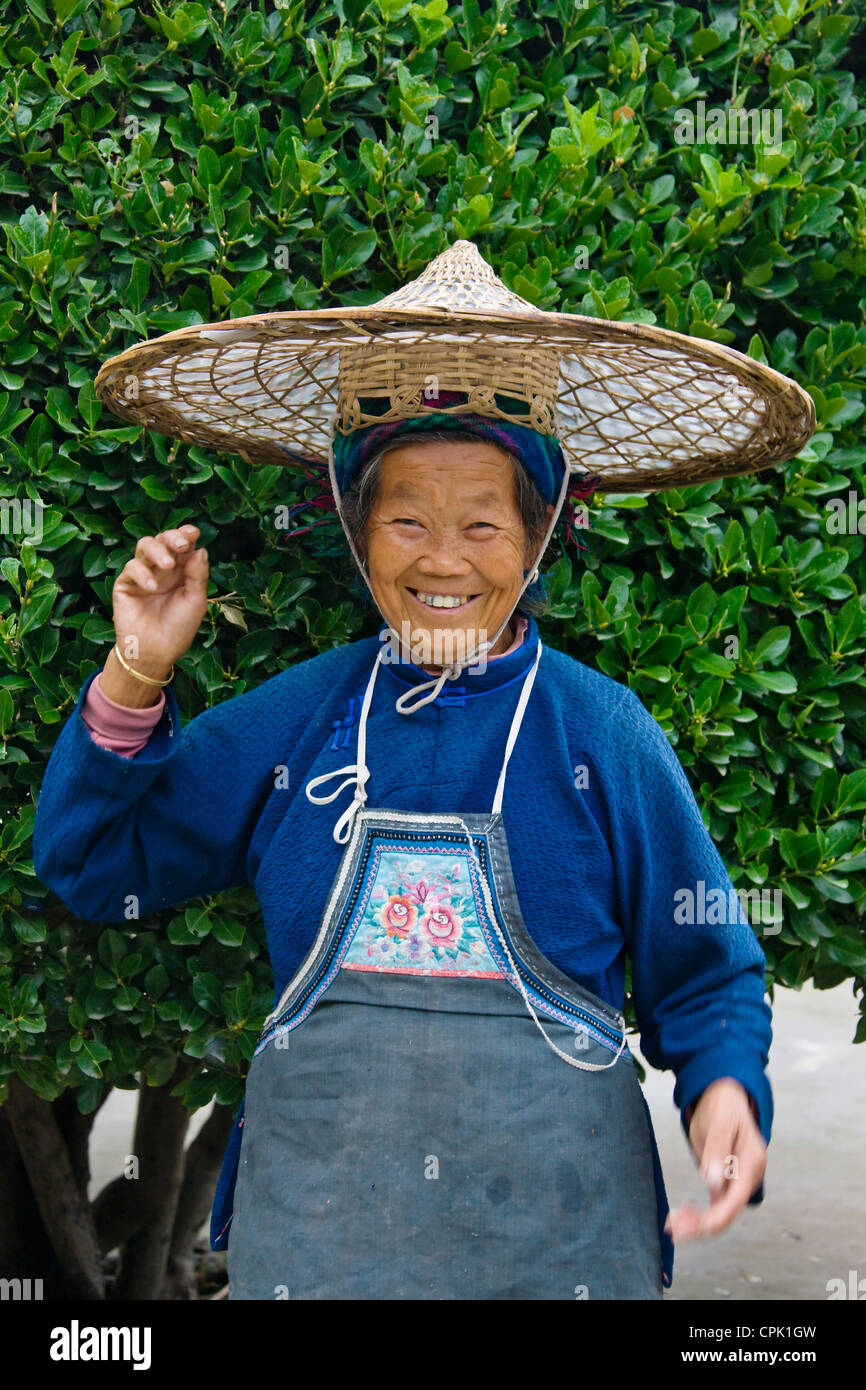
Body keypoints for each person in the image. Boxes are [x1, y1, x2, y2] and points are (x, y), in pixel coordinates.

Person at [33, 241, 816, 1300]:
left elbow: (706, 969)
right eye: (405, 517)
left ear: (538, 537)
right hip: (319, 1252)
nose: (441, 559)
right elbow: (93, 862)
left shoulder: (601, 734)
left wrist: (724, 1086)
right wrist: (137, 670)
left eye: (482, 522)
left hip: (560, 1250)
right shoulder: (300, 720)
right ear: (356, 534)